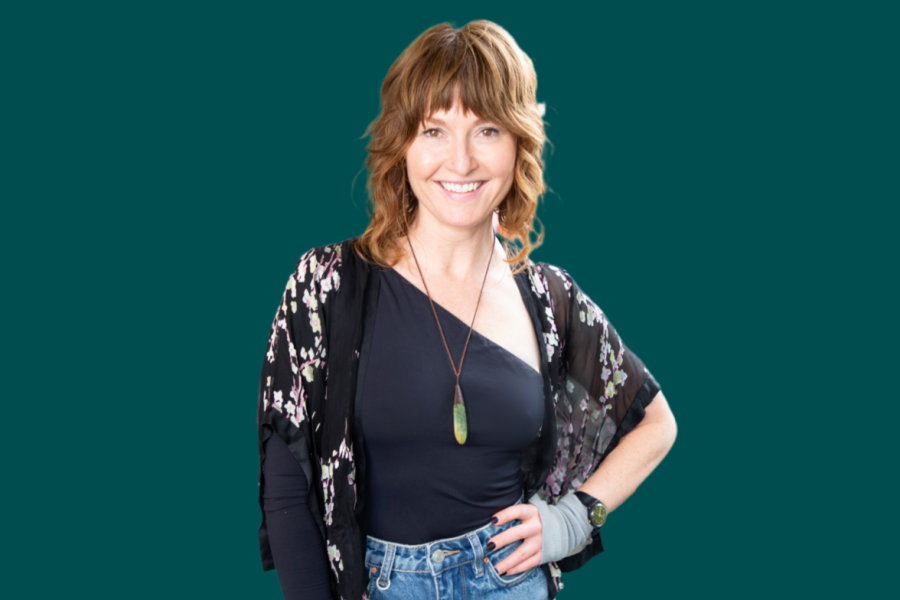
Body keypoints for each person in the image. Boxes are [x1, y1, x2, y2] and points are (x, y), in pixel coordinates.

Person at [256, 20, 677, 600]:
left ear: (518, 142)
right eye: (434, 130)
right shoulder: (327, 283)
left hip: (511, 581)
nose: (460, 161)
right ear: (402, 144)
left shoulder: (549, 299)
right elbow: (285, 484)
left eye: (487, 130)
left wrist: (575, 518)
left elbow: (656, 424)